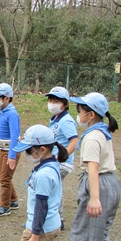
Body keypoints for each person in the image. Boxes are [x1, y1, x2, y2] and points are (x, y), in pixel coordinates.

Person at [50, 92, 121, 241]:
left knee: (81, 227)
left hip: (98, 182)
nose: (79, 115)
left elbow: (93, 167)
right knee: (97, 227)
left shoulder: (92, 137)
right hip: (109, 182)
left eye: (81, 111)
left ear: (91, 114)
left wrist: (94, 197)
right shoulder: (102, 130)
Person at [45, 86, 78, 229]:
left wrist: (61, 157)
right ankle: (55, 218)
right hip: (53, 161)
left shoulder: (66, 121)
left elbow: (74, 141)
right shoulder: (55, 119)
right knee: (52, 188)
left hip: (61, 163)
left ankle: (57, 219)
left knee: (53, 189)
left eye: (56, 101)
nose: (52, 103)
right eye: (51, 100)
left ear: (65, 104)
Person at [0, 83, 21, 217]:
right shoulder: (1, 112)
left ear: (7, 98)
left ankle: (4, 206)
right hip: (2, 149)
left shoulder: (12, 114)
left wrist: (12, 156)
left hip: (10, 151)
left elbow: (14, 136)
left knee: (5, 179)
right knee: (5, 176)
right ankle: (13, 200)